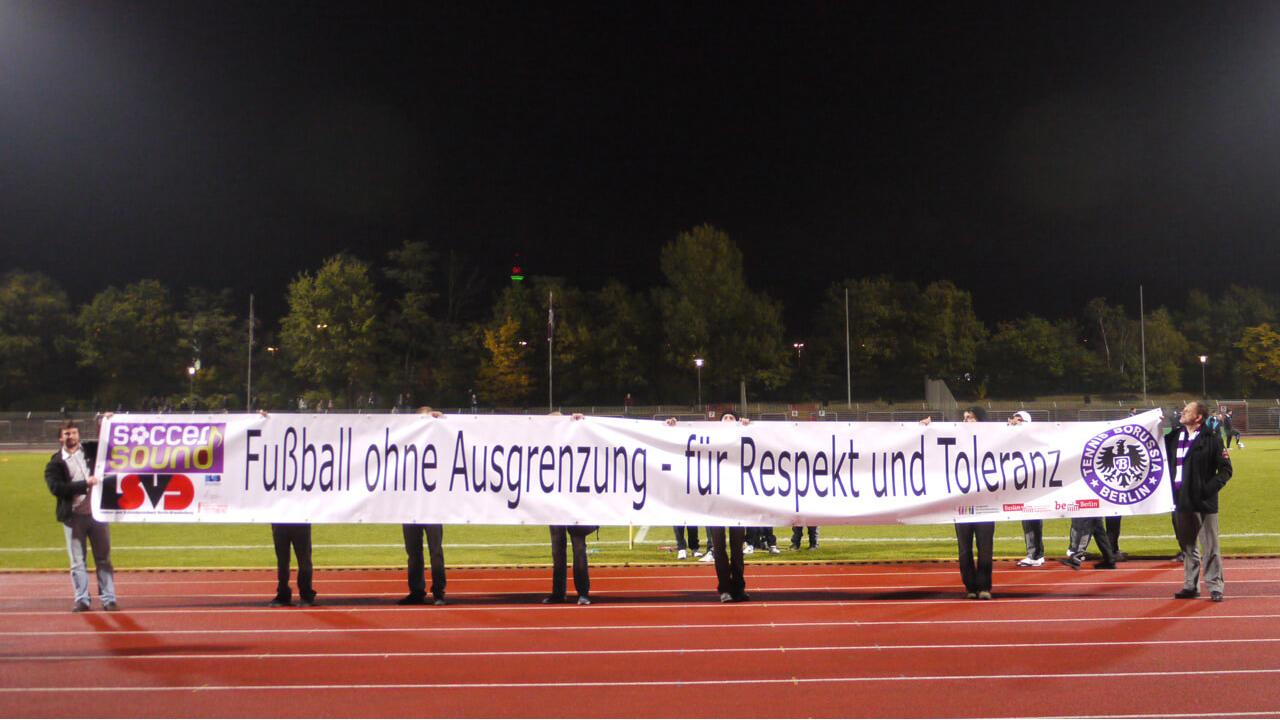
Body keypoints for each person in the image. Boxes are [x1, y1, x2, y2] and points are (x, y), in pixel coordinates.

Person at [666, 412, 752, 601]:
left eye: (732, 418)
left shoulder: (742, 438)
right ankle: (725, 589)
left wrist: (749, 426)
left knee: (737, 549)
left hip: (738, 503)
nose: (728, 421)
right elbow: (686, 442)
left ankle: (739, 587)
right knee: (718, 548)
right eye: (725, 418)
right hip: (716, 504)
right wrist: (674, 426)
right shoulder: (710, 440)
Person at [44, 417, 118, 612]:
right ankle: (82, 599)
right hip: (73, 518)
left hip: (97, 515)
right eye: (67, 434)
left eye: (74, 433)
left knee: (103, 558)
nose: (72, 436)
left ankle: (109, 598)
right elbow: (56, 488)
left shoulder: (91, 450)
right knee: (78, 562)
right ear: (61, 438)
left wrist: (108, 420)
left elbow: (108, 440)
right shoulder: (55, 463)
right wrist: (84, 484)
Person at [923, 407, 996, 599]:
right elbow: (936, 447)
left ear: (980, 421)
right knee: (964, 549)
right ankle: (970, 587)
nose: (966, 421)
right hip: (962, 505)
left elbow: (1016, 441)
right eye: (964, 418)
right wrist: (926, 429)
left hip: (986, 505)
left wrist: (1018, 426)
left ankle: (984, 587)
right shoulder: (956, 440)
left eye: (970, 418)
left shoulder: (993, 438)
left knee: (985, 547)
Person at [1168, 401, 1232, 602]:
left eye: (1187, 411)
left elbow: (1226, 470)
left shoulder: (1212, 439)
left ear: (1198, 417)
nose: (1182, 412)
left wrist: (1206, 490)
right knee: (1187, 546)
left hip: (1204, 502)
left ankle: (1215, 586)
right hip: (1179, 500)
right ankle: (1190, 585)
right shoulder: (1173, 437)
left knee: (1210, 545)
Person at [400, 407, 448, 606]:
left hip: (432, 505)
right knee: (413, 551)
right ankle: (417, 590)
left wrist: (441, 419)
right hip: (410, 504)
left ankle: (438, 592)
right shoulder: (405, 440)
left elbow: (454, 434)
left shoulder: (439, 441)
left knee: (435, 550)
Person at [547, 413, 595, 604]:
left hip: (576, 503)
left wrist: (580, 421)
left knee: (579, 548)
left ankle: (583, 592)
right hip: (554, 504)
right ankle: (559, 592)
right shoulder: (544, 447)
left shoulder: (576, 441)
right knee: (557, 549)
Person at [1008, 411, 1044, 567]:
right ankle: (1034, 553)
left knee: (1032, 518)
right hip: (1021, 483)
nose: (1016, 421)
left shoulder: (1033, 437)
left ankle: (1035, 554)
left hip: (1033, 484)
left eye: (1020, 420)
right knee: (1027, 519)